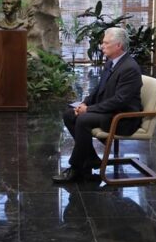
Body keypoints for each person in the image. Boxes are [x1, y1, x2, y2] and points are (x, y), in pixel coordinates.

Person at [52, 27, 142, 183]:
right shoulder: (111, 63)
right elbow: (98, 89)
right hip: (109, 112)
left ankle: (76, 168)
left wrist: (89, 110)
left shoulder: (129, 68)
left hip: (123, 118)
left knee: (83, 119)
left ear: (118, 46)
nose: (102, 46)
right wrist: (84, 103)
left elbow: (119, 101)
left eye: (106, 43)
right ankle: (92, 158)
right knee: (69, 113)